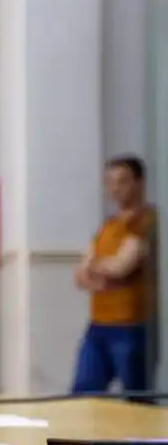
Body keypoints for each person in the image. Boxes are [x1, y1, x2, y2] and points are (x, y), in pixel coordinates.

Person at [71, 155, 158, 393]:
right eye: (110, 182)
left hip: (131, 325)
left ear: (138, 183)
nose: (115, 188)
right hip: (99, 324)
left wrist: (96, 267)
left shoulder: (146, 220)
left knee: (136, 397)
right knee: (83, 392)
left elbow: (122, 265)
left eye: (122, 181)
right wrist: (99, 268)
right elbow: (80, 275)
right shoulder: (107, 226)